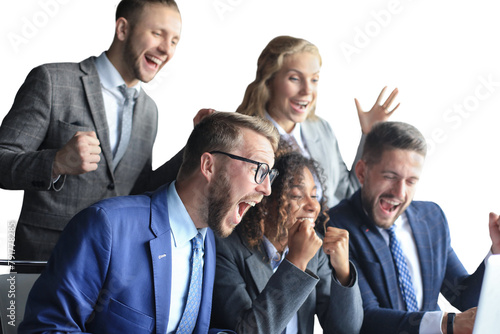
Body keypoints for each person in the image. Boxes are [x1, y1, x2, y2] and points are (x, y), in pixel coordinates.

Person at [19, 111, 280, 333]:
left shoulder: (207, 240)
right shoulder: (107, 226)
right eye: (259, 169)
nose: (267, 189)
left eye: (270, 173)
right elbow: (47, 328)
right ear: (209, 166)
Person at [0, 0, 193, 264]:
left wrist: (195, 146)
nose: (165, 49)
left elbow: (138, 190)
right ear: (123, 29)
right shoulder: (52, 81)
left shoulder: (150, 111)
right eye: (157, 33)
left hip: (110, 268)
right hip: (44, 262)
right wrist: (56, 162)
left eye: (174, 41)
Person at [327, 121, 500, 334]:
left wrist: (496, 251)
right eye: (390, 177)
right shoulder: (335, 225)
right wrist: (446, 323)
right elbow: (366, 318)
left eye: (410, 181)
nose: (399, 192)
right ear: (362, 172)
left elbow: (464, 297)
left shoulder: (432, 218)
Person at [235, 35, 400, 209]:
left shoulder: (321, 129)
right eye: (295, 78)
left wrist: (369, 136)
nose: (307, 91)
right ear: (269, 81)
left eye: (314, 79)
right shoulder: (245, 136)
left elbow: (346, 193)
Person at [211, 147, 363, 333]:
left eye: (315, 195)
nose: (313, 206)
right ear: (265, 201)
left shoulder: (317, 250)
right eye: (297, 196)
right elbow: (248, 330)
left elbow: (345, 330)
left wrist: (343, 272)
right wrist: (296, 263)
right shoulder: (226, 248)